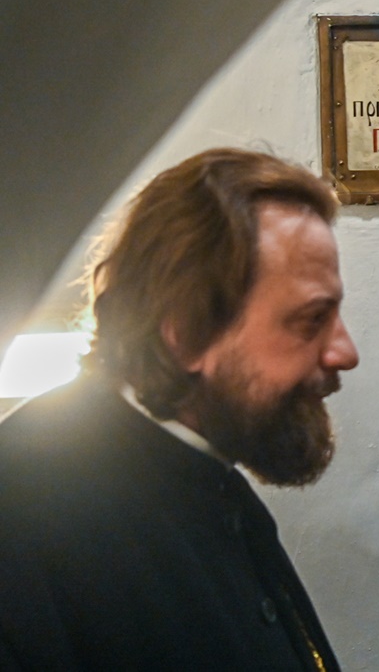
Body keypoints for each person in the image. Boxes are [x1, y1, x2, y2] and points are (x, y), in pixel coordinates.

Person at [0, 148, 360, 670]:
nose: (345, 352)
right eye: (311, 319)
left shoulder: (208, 472)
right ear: (186, 333)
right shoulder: (22, 512)